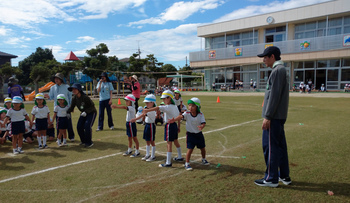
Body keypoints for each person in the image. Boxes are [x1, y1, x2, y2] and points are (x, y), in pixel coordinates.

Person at [255, 46, 291, 188]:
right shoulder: (280, 70)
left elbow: (274, 96)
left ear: (272, 57)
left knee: (270, 147)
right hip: (279, 116)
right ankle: (284, 175)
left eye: (265, 57)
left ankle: (271, 178)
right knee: (280, 146)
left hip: (274, 117)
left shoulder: (277, 71)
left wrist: (268, 116)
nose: (263, 60)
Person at [142, 90, 183, 168]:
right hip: (174, 125)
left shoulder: (168, 107)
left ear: (169, 98)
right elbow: (179, 117)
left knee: (169, 143)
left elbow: (158, 107)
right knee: (175, 141)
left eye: (164, 98)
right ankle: (180, 156)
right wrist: (178, 126)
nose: (163, 100)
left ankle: (168, 162)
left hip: (169, 126)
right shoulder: (174, 107)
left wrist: (147, 110)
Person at [170, 97, 209, 171]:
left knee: (202, 148)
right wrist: (174, 119)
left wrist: (202, 126)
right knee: (190, 149)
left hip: (199, 134)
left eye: (193, 106)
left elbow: (203, 123)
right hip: (190, 135)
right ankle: (187, 163)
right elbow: (181, 116)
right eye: (189, 105)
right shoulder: (187, 113)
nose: (190, 107)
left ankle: (203, 159)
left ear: (197, 107)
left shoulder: (200, 114)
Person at [46, 73, 75, 141]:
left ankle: (71, 137)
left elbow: (70, 97)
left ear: (61, 79)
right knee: (58, 123)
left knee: (68, 122)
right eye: (55, 78)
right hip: (57, 108)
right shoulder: (53, 87)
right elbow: (51, 97)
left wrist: (71, 107)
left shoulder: (67, 87)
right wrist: (48, 97)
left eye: (57, 78)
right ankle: (60, 138)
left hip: (66, 108)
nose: (56, 80)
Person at [67, 83, 97, 148]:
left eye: (75, 89)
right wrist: (66, 112)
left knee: (87, 126)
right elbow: (72, 107)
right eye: (73, 89)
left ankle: (89, 142)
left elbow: (92, 106)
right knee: (79, 126)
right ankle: (83, 141)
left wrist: (86, 112)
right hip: (83, 113)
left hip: (91, 112)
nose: (73, 90)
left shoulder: (85, 97)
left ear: (79, 90)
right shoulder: (74, 98)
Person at [130, 94, 157, 162]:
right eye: (146, 103)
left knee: (152, 141)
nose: (146, 104)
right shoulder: (148, 109)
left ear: (152, 103)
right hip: (147, 125)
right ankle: (147, 154)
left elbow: (143, 113)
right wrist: (135, 119)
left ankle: (153, 156)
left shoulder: (152, 110)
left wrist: (141, 110)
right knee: (147, 141)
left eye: (148, 103)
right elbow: (143, 114)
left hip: (151, 126)